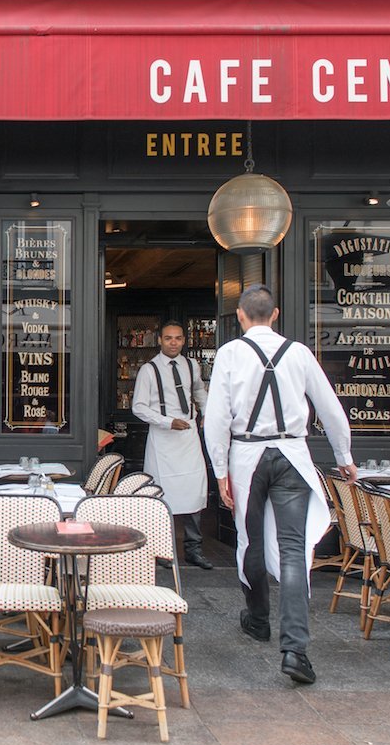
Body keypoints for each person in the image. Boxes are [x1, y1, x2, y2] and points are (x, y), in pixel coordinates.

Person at [203, 284, 356, 685]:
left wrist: (219, 471)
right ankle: (295, 650)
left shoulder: (230, 354)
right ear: (275, 314)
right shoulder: (300, 354)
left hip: (248, 456)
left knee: (250, 540)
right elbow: (331, 409)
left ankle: (257, 619)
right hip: (293, 455)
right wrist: (344, 458)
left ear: (239, 315)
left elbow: (216, 417)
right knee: (293, 550)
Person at [131, 320, 213, 569]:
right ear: (160, 340)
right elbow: (139, 407)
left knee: (195, 493)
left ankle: (193, 549)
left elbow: (198, 391)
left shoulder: (192, 365)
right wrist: (167, 422)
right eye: (168, 338)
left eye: (177, 338)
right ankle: (163, 550)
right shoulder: (149, 370)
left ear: (184, 340)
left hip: (188, 437)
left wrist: (207, 413)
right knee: (162, 495)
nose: (173, 342)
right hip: (163, 439)